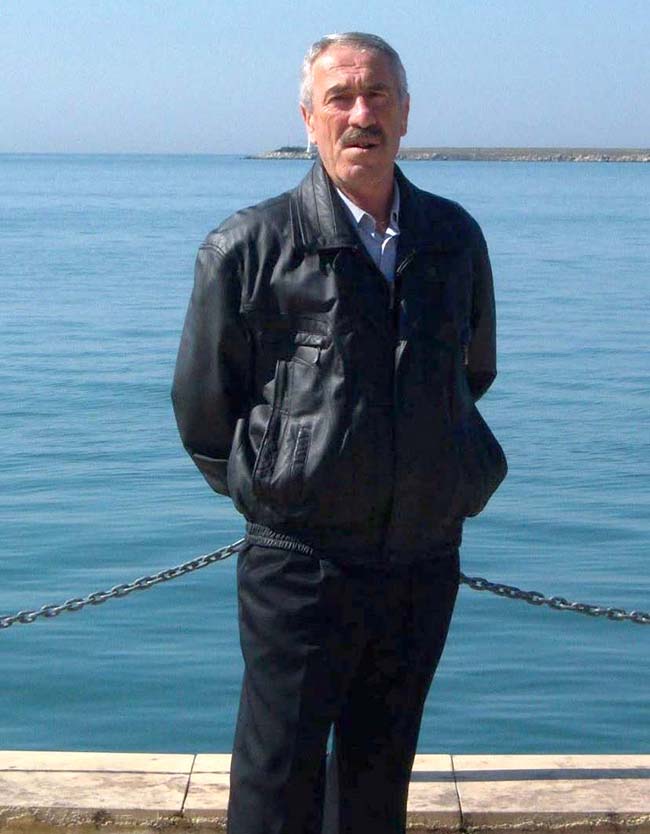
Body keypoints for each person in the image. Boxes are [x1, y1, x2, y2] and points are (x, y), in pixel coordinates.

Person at [172, 31, 506, 834]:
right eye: (341, 98)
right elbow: (204, 411)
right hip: (299, 564)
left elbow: (473, 373)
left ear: (405, 112)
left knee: (377, 785)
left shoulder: (454, 238)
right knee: (275, 784)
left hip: (422, 560)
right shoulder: (247, 247)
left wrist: (437, 476)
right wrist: (282, 485)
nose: (362, 114)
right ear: (309, 118)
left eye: (378, 95)